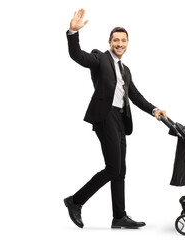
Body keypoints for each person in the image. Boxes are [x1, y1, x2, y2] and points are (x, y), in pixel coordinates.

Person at [63, 9, 167, 229]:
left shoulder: (126, 70)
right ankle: (75, 201)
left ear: (128, 43)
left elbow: (135, 95)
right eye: (116, 40)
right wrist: (73, 31)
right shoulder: (100, 59)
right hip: (105, 116)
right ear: (109, 42)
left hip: (120, 120)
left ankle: (119, 216)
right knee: (113, 168)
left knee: (121, 169)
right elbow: (77, 55)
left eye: (123, 40)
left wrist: (154, 109)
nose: (120, 43)